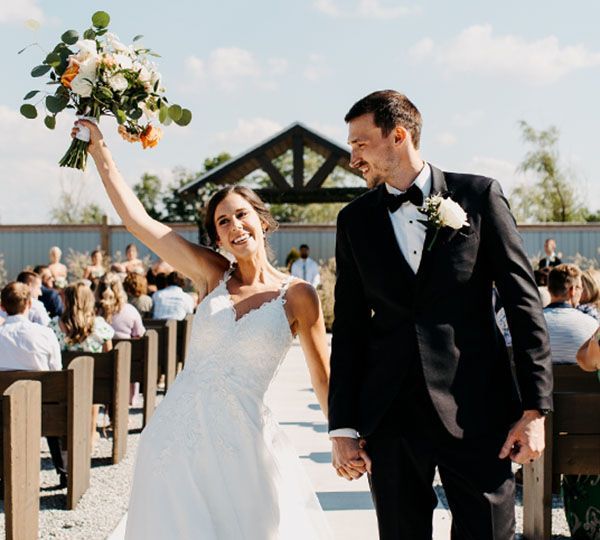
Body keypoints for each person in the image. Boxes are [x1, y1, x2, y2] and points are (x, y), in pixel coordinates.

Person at [73, 118, 332, 539]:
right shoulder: (213, 275)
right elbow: (139, 223)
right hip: (175, 443)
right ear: (216, 238)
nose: (234, 226)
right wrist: (100, 149)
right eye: (223, 222)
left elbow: (323, 377)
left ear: (262, 221)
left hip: (244, 447)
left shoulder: (299, 295)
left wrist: (344, 436)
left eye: (241, 215)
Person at [329, 90, 553, 539]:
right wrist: (343, 426)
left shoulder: (480, 196)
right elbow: (350, 327)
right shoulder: (354, 219)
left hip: (478, 409)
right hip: (390, 416)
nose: (353, 157)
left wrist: (535, 410)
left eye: (360, 143)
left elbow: (523, 302)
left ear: (398, 135)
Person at [0, 282, 66, 487]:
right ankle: (63, 470)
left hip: (2, 409)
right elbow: (56, 368)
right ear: (29, 304)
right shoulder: (45, 333)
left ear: (2, 306)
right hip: (43, 408)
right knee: (54, 397)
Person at [50, 282, 114, 446]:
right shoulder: (100, 326)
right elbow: (109, 355)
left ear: (66, 301)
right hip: (94, 384)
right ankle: (91, 434)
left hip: (62, 384)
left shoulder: (53, 326)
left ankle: (67, 436)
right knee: (94, 384)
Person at [543, 264, 599, 364]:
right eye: (580, 288)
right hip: (584, 380)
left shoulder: (529, 323)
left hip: (539, 379)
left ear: (549, 289)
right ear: (572, 290)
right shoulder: (593, 326)